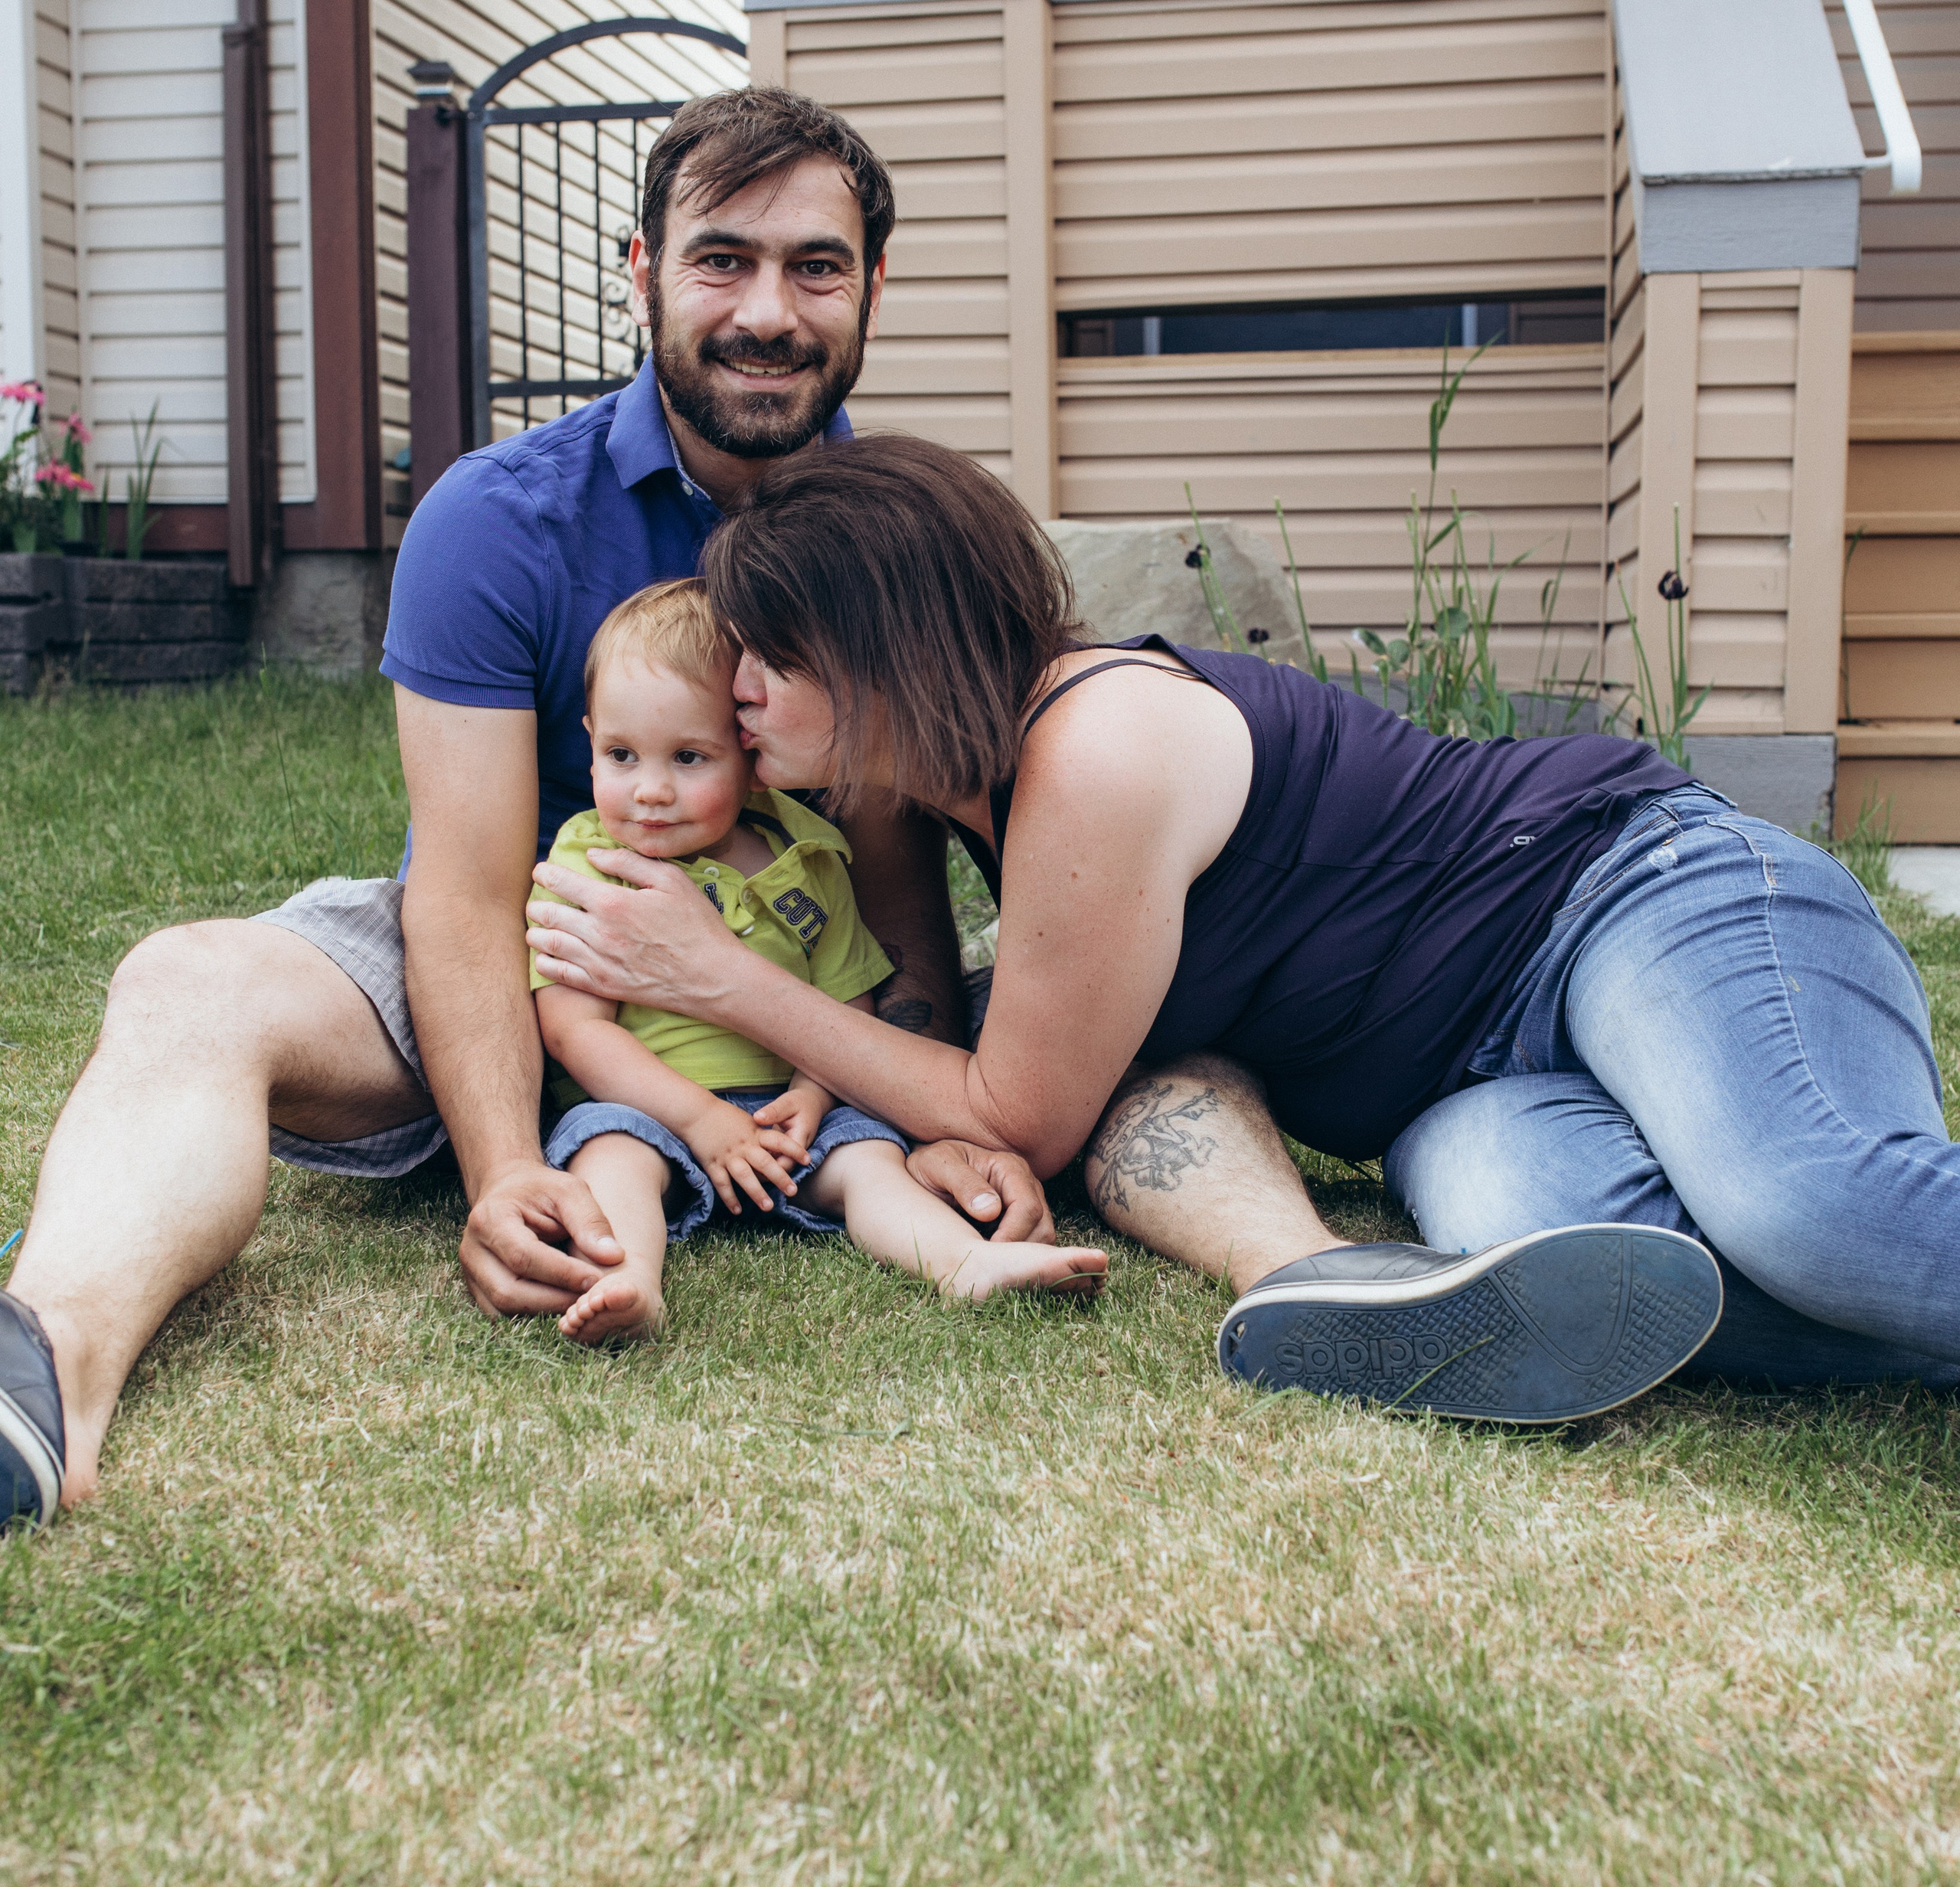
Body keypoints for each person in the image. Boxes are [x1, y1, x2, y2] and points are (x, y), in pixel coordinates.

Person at [0, 90, 1045, 1529]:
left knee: (1127, 1013)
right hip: (519, 960)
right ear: (643, 272)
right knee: (189, 983)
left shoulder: (899, 532)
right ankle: (41, 1369)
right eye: (721, 259)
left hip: (787, 980)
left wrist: (911, 1097)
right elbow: (466, 892)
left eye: (815, 265)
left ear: (873, 285)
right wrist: (499, 1169)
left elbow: (895, 884)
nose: (768, 311)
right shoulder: (496, 519)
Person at [524, 433, 1960, 1420]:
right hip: (1458, 1094)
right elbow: (1013, 1055)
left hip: (1619, 896)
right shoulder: (960, 784)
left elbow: (1019, 1110)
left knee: (1803, 1208)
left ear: (888, 649)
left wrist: (721, 979)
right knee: (1574, 1265)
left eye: (773, 655)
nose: (741, 692)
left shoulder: (1094, 746)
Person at [534, 578, 1106, 1338]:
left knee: (870, 1158)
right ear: (589, 740)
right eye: (620, 755)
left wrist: (811, 1096)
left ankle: (964, 1262)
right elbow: (575, 1031)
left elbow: (846, 1002)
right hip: (647, 1108)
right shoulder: (589, 864)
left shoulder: (806, 856)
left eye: (689, 757)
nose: (650, 790)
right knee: (609, 1153)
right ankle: (630, 1279)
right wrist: (699, 1118)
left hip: (784, 1120)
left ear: (748, 754)